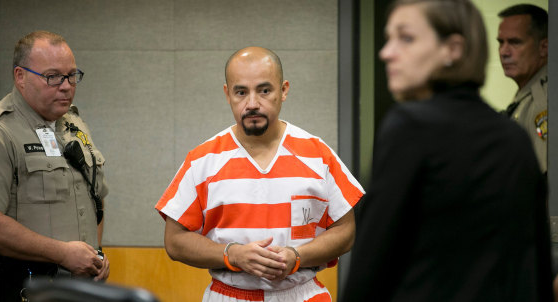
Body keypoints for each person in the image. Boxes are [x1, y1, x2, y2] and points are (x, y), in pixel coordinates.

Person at [341, 0, 552, 301]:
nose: (386, 52)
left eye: (406, 38)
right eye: (389, 39)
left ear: (452, 49)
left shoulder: (410, 126)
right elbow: (535, 263)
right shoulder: (513, 137)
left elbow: (374, 258)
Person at [155, 46, 364, 301]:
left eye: (264, 91)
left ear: (284, 90)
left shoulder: (318, 154)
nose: (252, 103)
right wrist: (232, 254)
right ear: (227, 94)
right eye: (241, 92)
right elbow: (175, 241)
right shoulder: (203, 160)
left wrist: (297, 257)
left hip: (303, 293)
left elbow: (346, 230)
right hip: (230, 295)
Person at [0, 31, 109, 301]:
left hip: (80, 288)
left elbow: (95, 199)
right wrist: (63, 254)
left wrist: (96, 255)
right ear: (20, 77)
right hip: (26, 288)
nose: (66, 86)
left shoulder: (74, 125)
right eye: (53, 76)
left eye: (72, 75)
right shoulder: (3, 132)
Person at [498, 4, 548, 173]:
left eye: (515, 42)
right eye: (501, 42)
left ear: (544, 47)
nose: (504, 52)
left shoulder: (543, 101)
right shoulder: (527, 93)